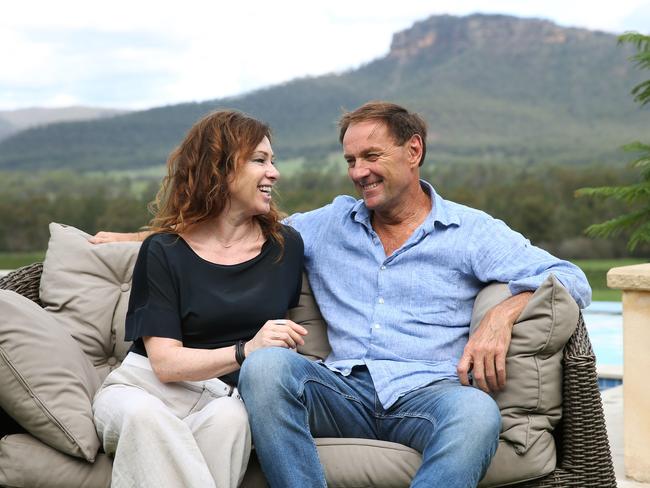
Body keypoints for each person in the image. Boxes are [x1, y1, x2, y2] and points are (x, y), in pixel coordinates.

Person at [93, 101, 591, 487]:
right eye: (351, 160)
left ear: (413, 151)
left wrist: (500, 316)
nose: (359, 172)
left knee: (477, 412)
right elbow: (229, 228)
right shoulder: (329, 224)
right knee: (266, 367)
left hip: (428, 392)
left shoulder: (471, 231)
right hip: (340, 389)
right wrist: (136, 239)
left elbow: (570, 277)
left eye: (372, 156)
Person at [91, 110, 306, 488]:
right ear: (219, 170)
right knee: (146, 419)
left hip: (222, 399)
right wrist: (246, 350)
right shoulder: (164, 251)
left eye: (273, 161)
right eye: (260, 160)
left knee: (233, 420)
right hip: (145, 391)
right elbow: (166, 364)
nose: (274, 173)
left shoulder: (285, 248)